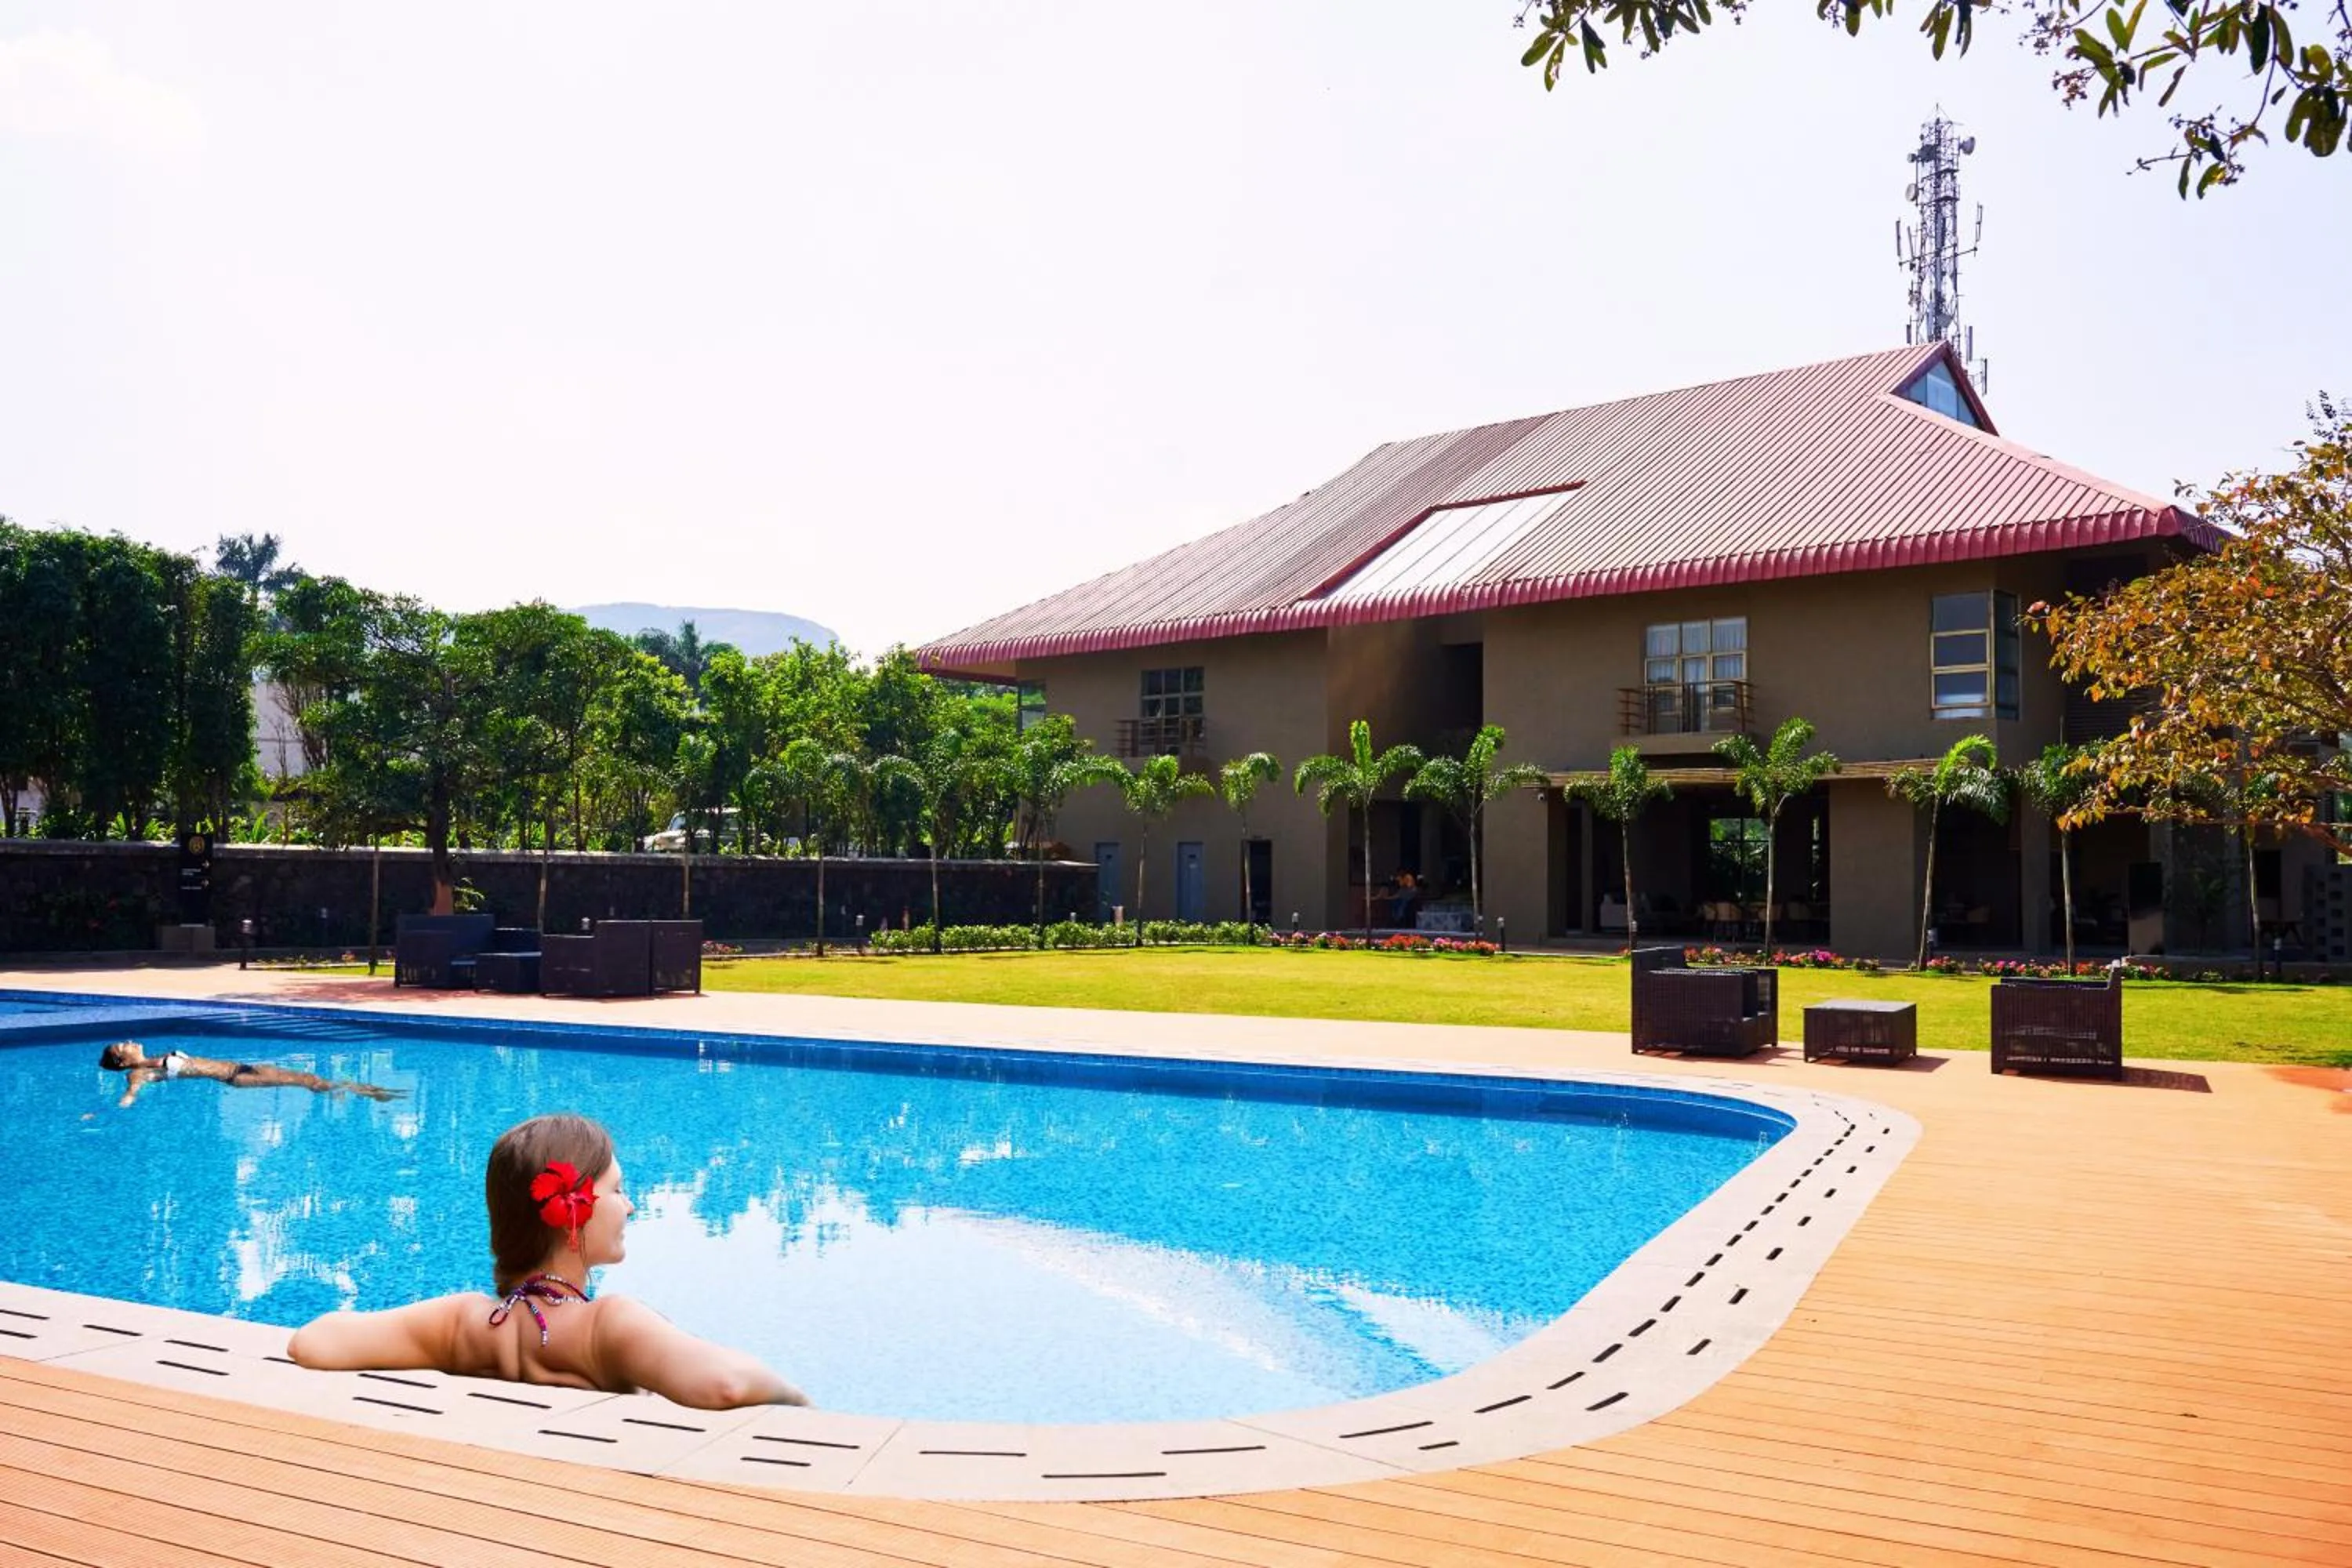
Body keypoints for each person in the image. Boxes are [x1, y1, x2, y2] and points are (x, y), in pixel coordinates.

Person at [289, 1112, 809, 1410]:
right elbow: (725, 1384)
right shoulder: (607, 1326)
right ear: (573, 1214)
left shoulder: (464, 1321)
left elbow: (313, 1343)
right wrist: (798, 1399)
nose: (630, 1205)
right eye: (618, 1190)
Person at [100, 1040, 406, 1108]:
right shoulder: (137, 1075)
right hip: (236, 1078)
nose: (128, 1042)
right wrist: (116, 1106)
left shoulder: (154, 1059)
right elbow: (129, 1097)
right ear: (123, 1062)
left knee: (306, 1079)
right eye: (122, 1047)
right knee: (304, 1081)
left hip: (238, 1067)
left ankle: (364, 1091)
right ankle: (366, 1091)